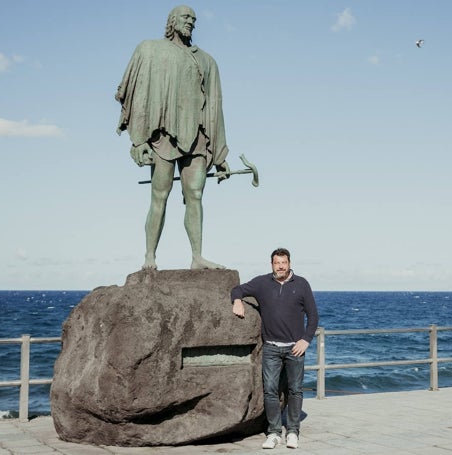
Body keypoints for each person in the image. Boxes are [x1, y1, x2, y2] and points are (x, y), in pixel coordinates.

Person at [115, 5, 231, 270]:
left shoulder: (207, 61)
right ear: (172, 21)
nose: (190, 22)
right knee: (159, 194)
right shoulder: (151, 50)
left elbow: (215, 107)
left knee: (195, 193)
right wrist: (140, 141)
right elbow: (137, 92)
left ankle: (197, 257)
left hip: (198, 136)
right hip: (163, 135)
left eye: (194, 19)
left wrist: (221, 155)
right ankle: (149, 258)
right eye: (186, 17)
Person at [230, 248, 319, 450]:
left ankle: (293, 432)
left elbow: (313, 316)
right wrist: (236, 301)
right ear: (271, 264)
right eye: (277, 263)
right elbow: (237, 289)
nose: (280, 266)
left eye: (284, 263)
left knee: (295, 390)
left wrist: (305, 340)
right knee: (270, 391)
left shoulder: (302, 284)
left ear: (289, 263)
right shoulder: (262, 283)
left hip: (295, 349)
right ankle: (274, 433)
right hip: (271, 348)